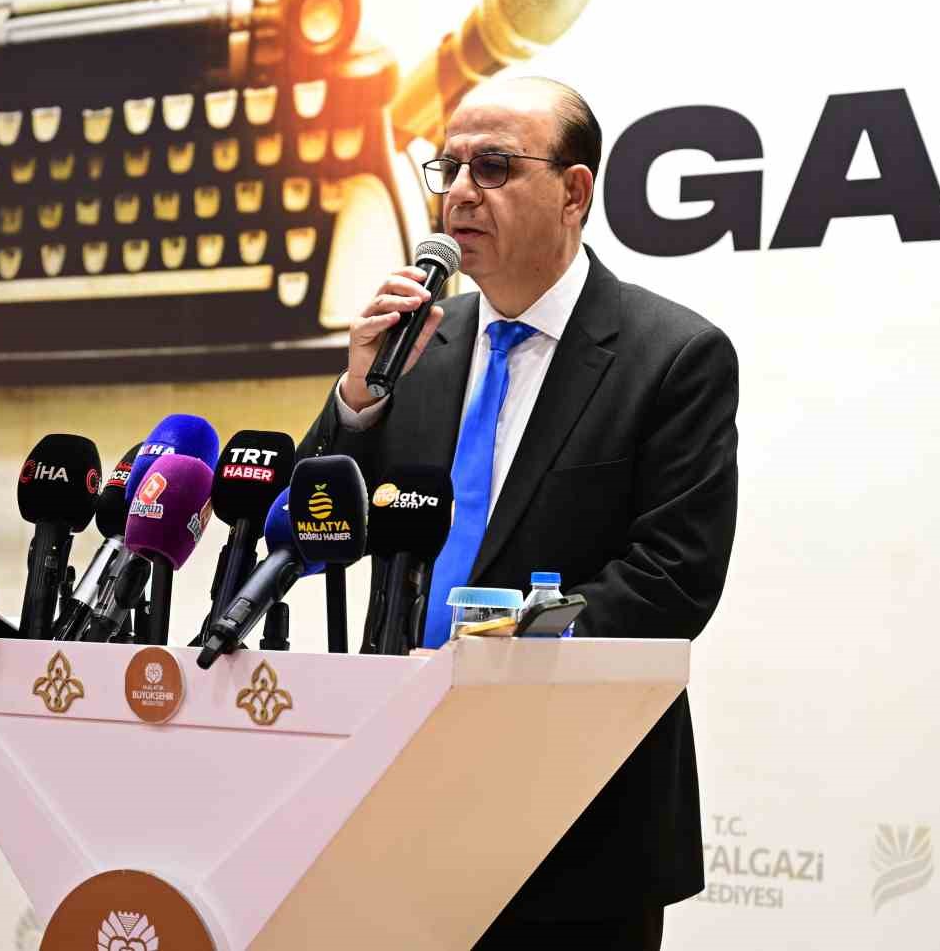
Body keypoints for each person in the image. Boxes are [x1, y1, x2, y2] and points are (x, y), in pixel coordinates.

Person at [297, 76, 739, 950]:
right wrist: (358, 396)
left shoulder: (672, 356)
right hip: (394, 783)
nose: (461, 193)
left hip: (573, 807)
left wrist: (500, 646)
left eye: (494, 166)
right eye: (450, 167)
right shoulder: (417, 343)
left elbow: (673, 579)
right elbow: (312, 526)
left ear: (573, 192)